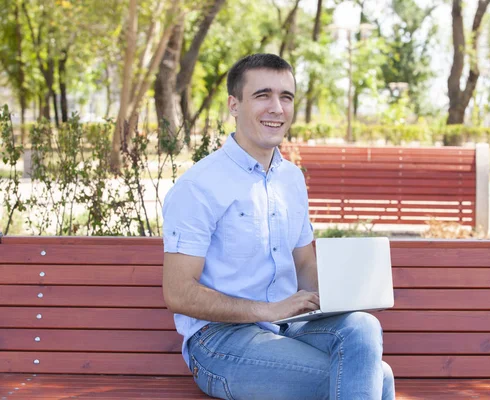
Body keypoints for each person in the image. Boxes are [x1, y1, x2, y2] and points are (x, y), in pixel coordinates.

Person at [162, 53, 395, 400]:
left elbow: (303, 265)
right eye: (263, 95)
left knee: (363, 325)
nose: (277, 108)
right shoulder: (199, 185)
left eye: (286, 97)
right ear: (234, 105)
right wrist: (265, 310)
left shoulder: (291, 179)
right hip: (220, 343)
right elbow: (178, 292)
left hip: (288, 328)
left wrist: (352, 292)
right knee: (378, 377)